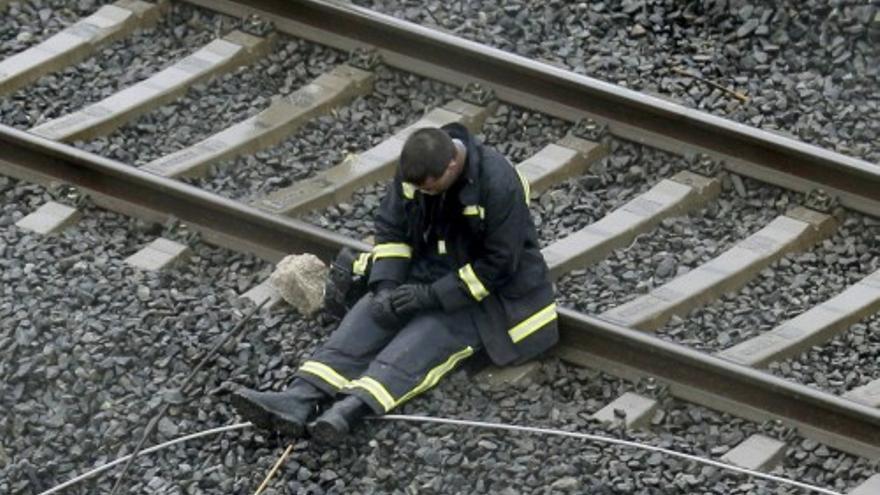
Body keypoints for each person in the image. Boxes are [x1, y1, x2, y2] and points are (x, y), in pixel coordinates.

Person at [230, 124, 558, 444]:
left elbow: (499, 265)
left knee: (427, 336)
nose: (425, 193)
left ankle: (351, 409)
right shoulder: (414, 173)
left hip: (486, 296)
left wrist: (431, 296)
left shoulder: (499, 183)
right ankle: (300, 396)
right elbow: (391, 232)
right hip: (427, 272)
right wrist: (386, 286)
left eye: (431, 188)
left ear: (453, 164)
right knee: (370, 313)